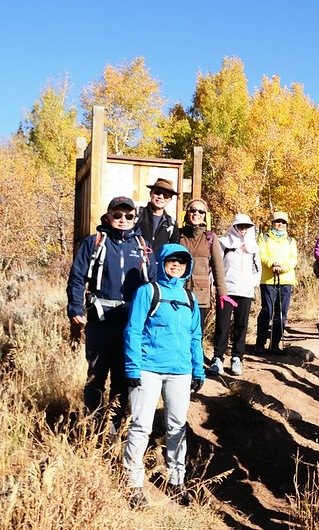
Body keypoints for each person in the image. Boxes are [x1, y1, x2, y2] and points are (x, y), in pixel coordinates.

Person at [123, 243, 205, 508]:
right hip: (147, 369)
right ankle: (132, 484)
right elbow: (133, 330)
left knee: (177, 426)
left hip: (180, 372)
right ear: (162, 262)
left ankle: (176, 481)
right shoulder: (148, 291)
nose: (176, 266)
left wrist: (199, 368)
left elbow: (195, 337)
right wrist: (132, 366)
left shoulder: (190, 298)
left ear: (187, 267)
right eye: (172, 261)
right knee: (141, 426)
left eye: (181, 262)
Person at [67, 196, 155, 432]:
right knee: (96, 375)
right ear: (108, 216)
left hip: (130, 322)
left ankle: (114, 430)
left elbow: (154, 283)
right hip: (100, 318)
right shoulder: (94, 242)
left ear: (135, 217)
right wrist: (75, 308)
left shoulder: (142, 245)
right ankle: (92, 429)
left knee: (122, 377)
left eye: (128, 216)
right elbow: (77, 278)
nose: (122, 220)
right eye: (117, 215)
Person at [210, 214, 261, 376]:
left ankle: (237, 358)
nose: (243, 230)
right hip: (227, 291)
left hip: (245, 292)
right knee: (223, 325)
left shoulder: (253, 247)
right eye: (240, 226)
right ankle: (218, 358)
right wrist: (216, 287)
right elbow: (215, 266)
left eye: (246, 226)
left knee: (241, 325)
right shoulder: (224, 243)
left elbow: (257, 269)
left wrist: (251, 284)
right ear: (234, 226)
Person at [178, 198, 236, 329]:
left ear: (205, 215)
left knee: (197, 333)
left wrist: (222, 293)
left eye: (201, 211)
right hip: (178, 292)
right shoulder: (178, 235)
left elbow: (218, 267)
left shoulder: (210, 237)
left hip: (200, 294)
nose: (196, 213)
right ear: (187, 212)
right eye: (192, 210)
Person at [256, 211, 298, 355]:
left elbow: (293, 259)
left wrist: (283, 267)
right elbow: (261, 254)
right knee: (267, 311)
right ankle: (260, 344)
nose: (280, 224)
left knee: (281, 313)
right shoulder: (264, 237)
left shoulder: (291, 241)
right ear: (272, 223)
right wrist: (271, 263)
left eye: (283, 222)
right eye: (277, 222)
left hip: (286, 280)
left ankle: (275, 344)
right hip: (268, 280)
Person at [136, 178, 180, 253]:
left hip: (158, 264)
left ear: (170, 199)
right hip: (135, 263)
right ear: (151, 193)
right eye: (158, 193)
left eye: (166, 195)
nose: (161, 197)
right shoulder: (136, 214)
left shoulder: (171, 224)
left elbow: (173, 250)